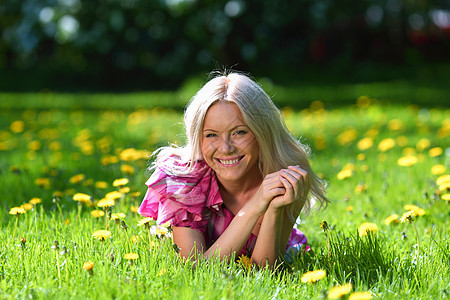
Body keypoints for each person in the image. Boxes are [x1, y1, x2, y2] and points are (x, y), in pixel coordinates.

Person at [138, 71, 328, 267]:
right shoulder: (184, 182)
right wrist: (255, 205)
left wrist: (273, 209)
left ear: (262, 131)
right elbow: (195, 269)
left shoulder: (285, 174)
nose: (226, 148)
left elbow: (264, 271)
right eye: (211, 135)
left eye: (239, 132)